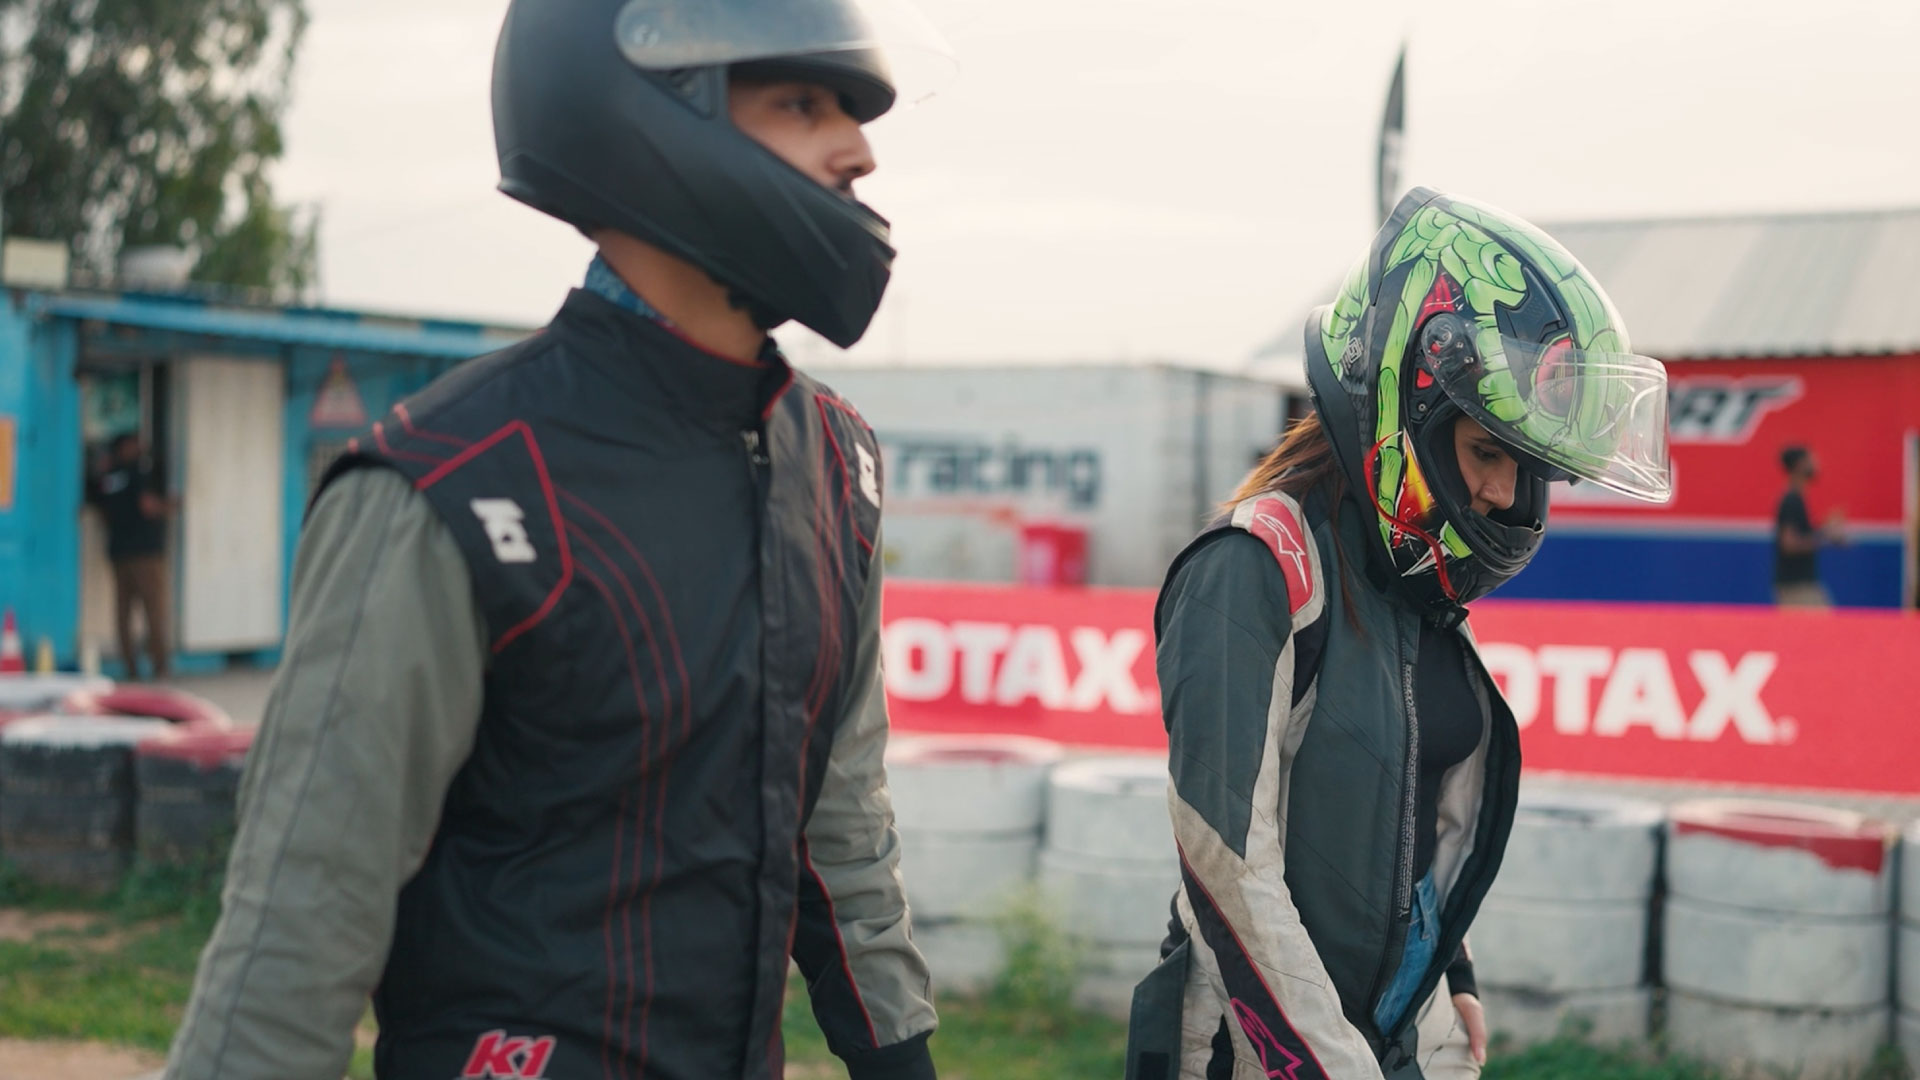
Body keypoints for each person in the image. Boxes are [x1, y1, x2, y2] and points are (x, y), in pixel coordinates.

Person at [165, 2, 947, 1077]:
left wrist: (899, 1053)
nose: (857, 150)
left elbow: (839, 818)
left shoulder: (835, 464)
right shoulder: (445, 480)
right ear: (647, 117)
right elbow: (300, 918)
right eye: (804, 103)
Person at [1124, 188, 1672, 1080]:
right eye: (1488, 452)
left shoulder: (1412, 586)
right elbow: (1228, 872)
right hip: (1266, 1057)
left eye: (1526, 470)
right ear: (1402, 409)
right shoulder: (1257, 567)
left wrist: (1450, 973)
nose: (1503, 495)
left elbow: (1409, 816)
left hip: (1402, 1044)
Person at [84, 432, 175, 680]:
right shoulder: (138, 472)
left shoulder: (107, 477)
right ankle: (161, 667)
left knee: (123, 613)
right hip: (146, 553)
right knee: (154, 610)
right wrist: (172, 506)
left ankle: (130, 669)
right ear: (126, 447)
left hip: (119, 552)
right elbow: (148, 505)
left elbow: (101, 509)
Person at [1772, 445, 1844, 608]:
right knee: (1823, 630)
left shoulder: (1796, 499)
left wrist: (1824, 530)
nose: (1816, 464)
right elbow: (1789, 543)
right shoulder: (1791, 501)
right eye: (1810, 460)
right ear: (1799, 465)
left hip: (1800, 583)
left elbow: (1801, 535)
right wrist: (1826, 537)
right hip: (1796, 586)